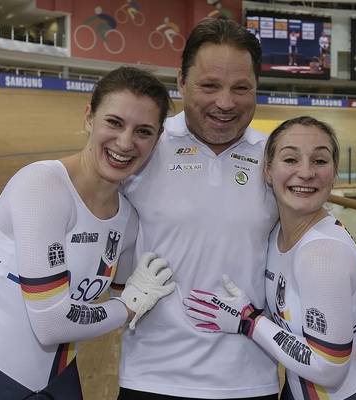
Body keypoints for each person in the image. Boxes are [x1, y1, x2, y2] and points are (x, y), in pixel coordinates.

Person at [0, 66, 176, 399]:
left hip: (60, 381)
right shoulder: (43, 186)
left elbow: (131, 292)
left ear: (157, 138)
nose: (125, 142)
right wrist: (129, 308)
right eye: (114, 122)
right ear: (89, 117)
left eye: (144, 131)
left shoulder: (129, 220)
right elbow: (51, 324)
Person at [117, 18, 281, 399]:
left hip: (249, 379)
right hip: (151, 377)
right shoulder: (144, 145)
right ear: (180, 81)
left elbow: (321, 241)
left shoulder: (278, 157)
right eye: (210, 86)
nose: (225, 103)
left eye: (241, 88)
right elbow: (71, 209)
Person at [183, 116, 356, 399]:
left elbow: (330, 369)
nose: (306, 173)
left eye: (319, 161)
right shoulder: (277, 233)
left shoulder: (320, 253)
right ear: (268, 171)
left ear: (334, 172)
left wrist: (249, 322)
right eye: (291, 159)